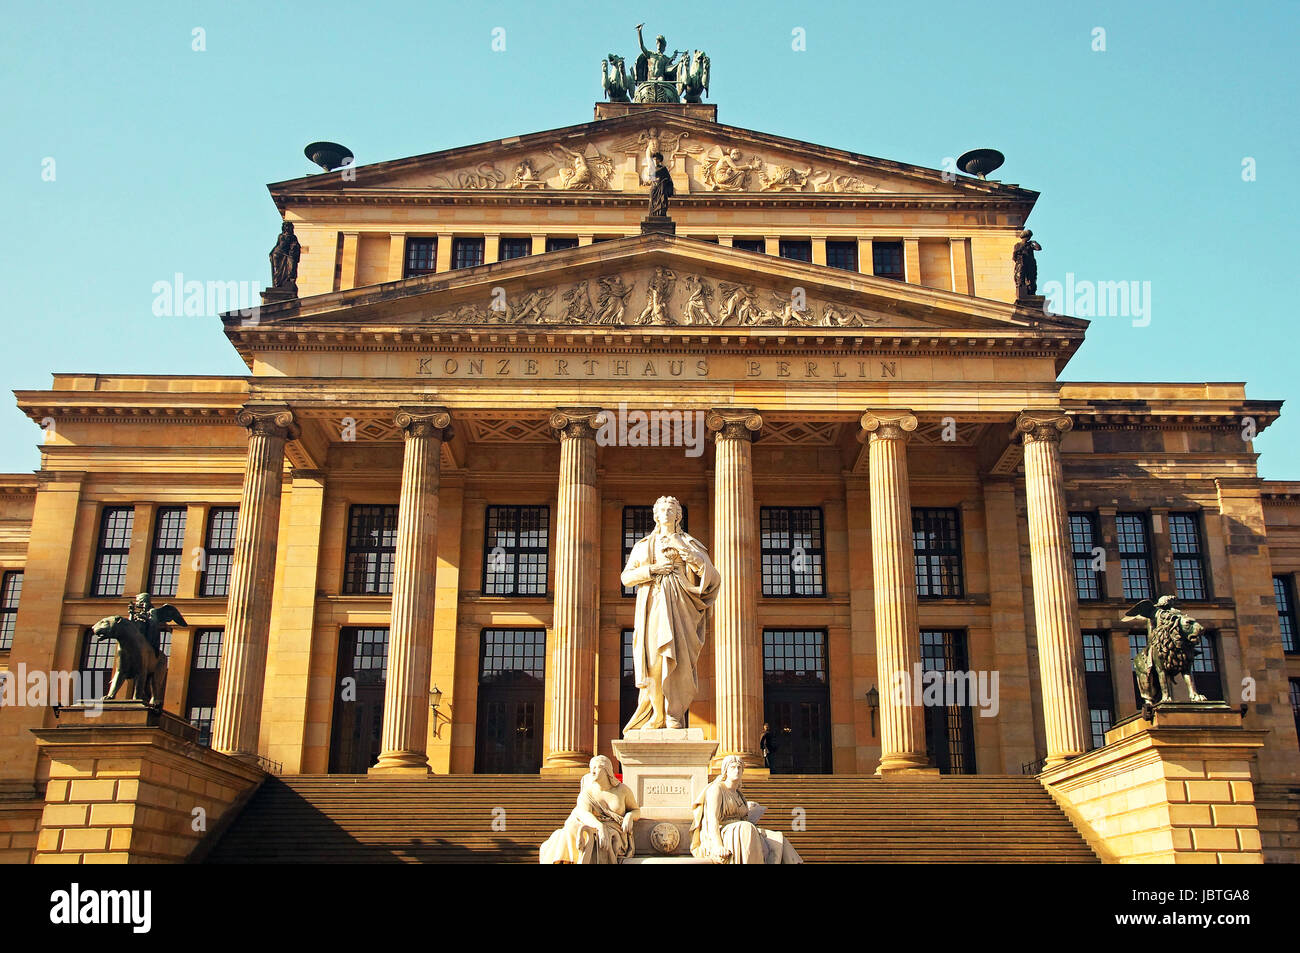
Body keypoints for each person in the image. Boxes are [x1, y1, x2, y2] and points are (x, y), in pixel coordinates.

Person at [621, 496, 720, 731]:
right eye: (662, 509)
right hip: (653, 604)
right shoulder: (643, 545)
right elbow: (626, 578)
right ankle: (656, 715)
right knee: (654, 661)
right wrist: (652, 569)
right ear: (655, 515)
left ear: (679, 515)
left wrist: (682, 548)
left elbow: (711, 575)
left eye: (671, 509)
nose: (666, 512)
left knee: (680, 662)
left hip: (681, 605)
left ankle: (674, 714)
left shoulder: (689, 542)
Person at [690, 755, 803, 864]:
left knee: (778, 839)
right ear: (725, 770)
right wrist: (718, 845)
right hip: (723, 831)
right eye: (733, 767)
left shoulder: (739, 794)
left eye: (739, 767)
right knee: (747, 828)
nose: (737, 770)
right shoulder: (716, 789)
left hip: (740, 829)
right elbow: (712, 820)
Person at [539, 756, 640, 864]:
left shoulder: (622, 790)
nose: (593, 771)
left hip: (615, 831)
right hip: (594, 826)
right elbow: (583, 813)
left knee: (589, 836)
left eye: (597, 767)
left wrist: (629, 816)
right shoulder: (588, 792)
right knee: (570, 830)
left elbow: (636, 811)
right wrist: (599, 827)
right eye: (592, 767)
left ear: (607, 770)